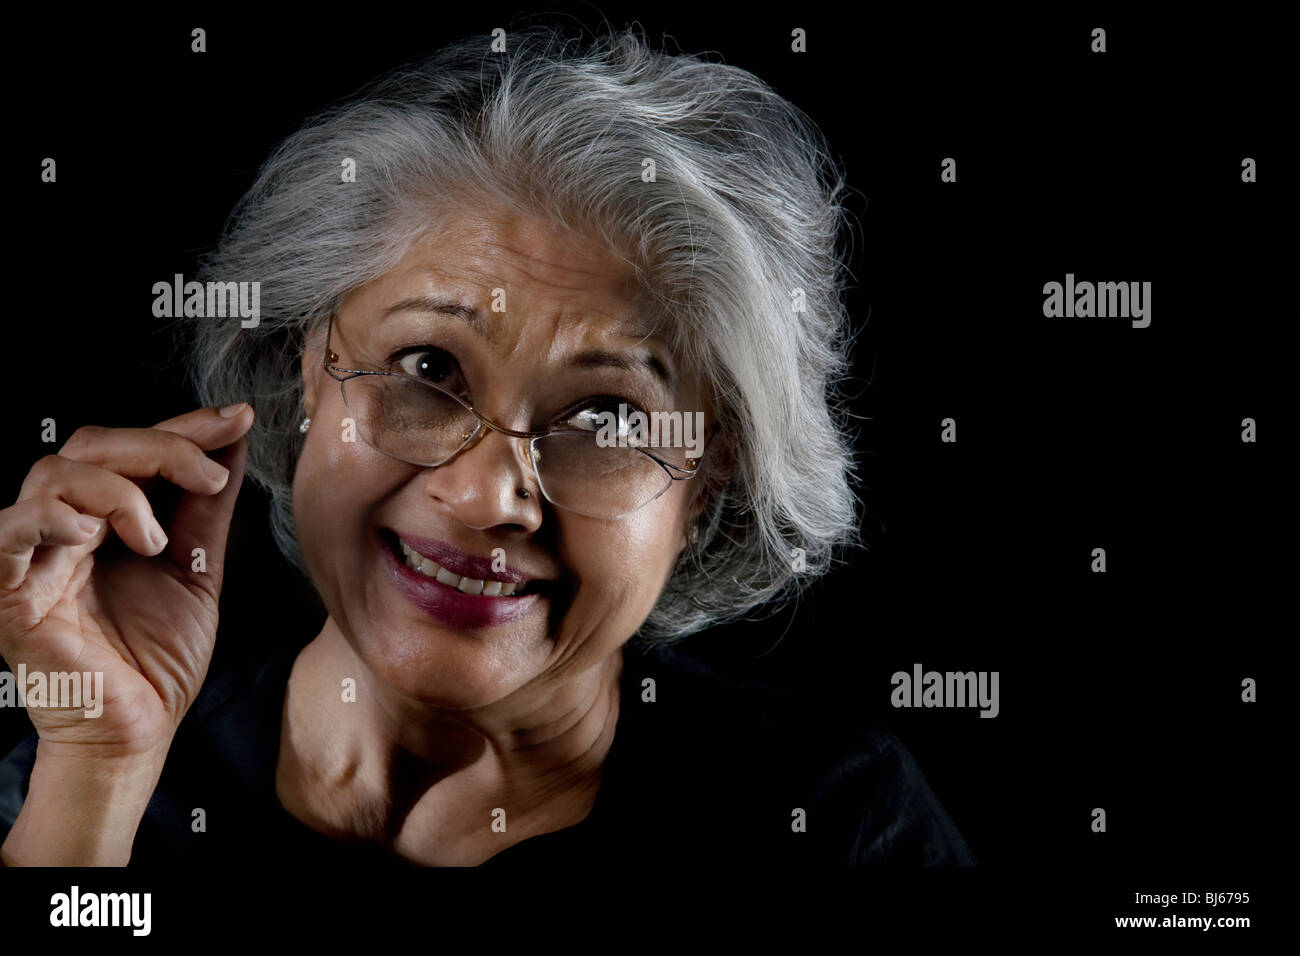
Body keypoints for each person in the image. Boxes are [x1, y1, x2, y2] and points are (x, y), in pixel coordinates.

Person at [0, 24, 974, 867]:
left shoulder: (837, 823)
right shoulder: (88, 773)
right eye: (427, 369)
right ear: (305, 363)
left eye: (610, 420)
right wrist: (97, 775)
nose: (486, 497)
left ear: (712, 473)